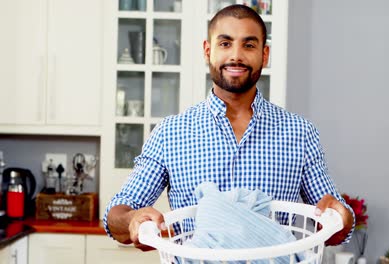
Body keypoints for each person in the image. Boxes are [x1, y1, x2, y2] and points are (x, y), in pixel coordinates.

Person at [104, 4, 354, 251]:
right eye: (225, 44)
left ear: (264, 55)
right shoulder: (170, 133)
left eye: (249, 44)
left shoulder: (299, 132)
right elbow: (118, 213)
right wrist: (132, 220)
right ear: (207, 50)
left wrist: (341, 216)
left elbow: (337, 224)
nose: (236, 55)